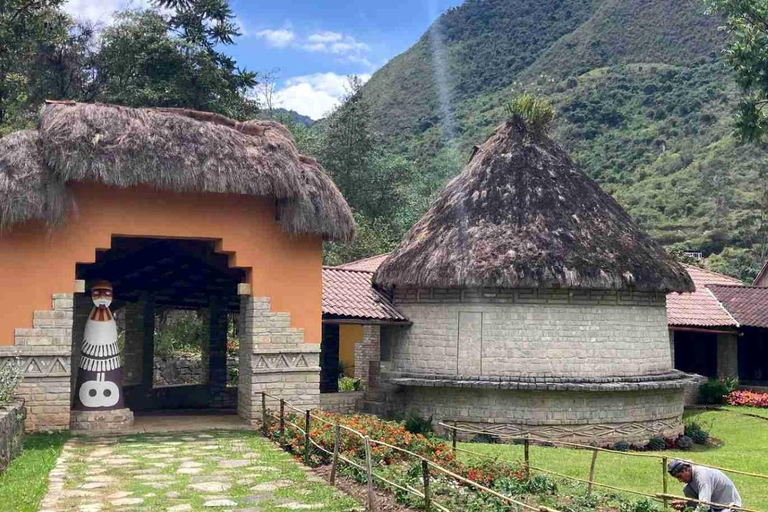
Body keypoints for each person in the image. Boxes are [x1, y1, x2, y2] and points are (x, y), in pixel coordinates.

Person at [668, 459, 742, 512]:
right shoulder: (688, 488)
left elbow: (704, 506)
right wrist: (684, 506)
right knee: (687, 489)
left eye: (680, 476)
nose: (680, 480)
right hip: (713, 508)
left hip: (729, 507)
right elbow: (694, 507)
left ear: (685, 469)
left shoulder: (702, 476)